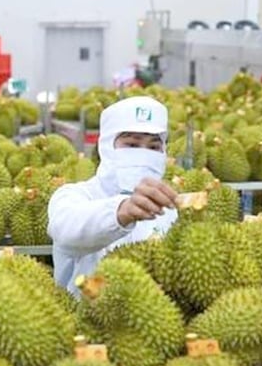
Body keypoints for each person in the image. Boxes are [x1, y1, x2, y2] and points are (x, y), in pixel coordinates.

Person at [47, 96, 179, 294]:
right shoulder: (74, 196)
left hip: (152, 319)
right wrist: (121, 211)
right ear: (107, 147)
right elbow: (65, 227)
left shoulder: (170, 210)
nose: (144, 154)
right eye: (132, 145)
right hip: (80, 320)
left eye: (154, 147)